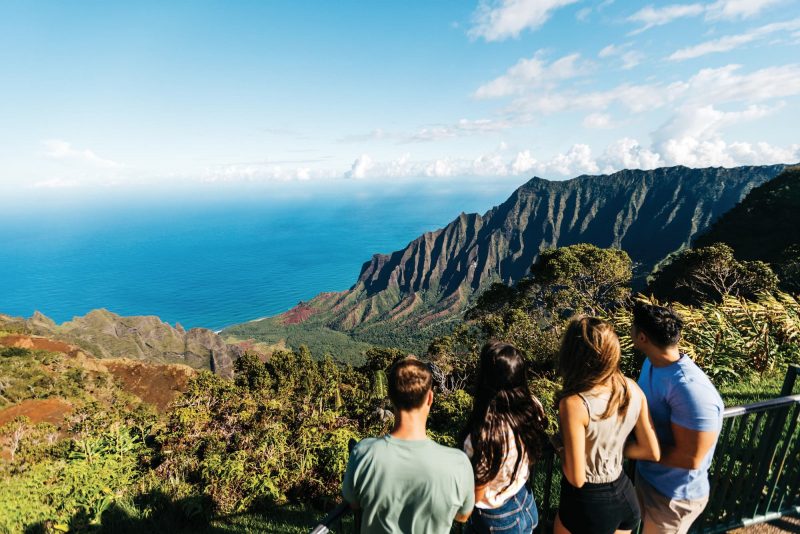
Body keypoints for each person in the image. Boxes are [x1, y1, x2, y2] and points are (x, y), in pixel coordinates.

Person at [342, 356, 475, 533]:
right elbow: (463, 515)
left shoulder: (363, 454)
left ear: (390, 396)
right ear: (430, 398)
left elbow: (353, 502)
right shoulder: (458, 463)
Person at [554, 316, 661, 534]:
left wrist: (560, 448)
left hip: (589, 503)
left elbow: (576, 477)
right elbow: (651, 450)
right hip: (624, 495)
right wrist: (612, 449)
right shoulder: (630, 389)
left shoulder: (574, 404)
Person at [632, 302, 724, 534]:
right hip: (648, 479)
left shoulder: (690, 390)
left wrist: (626, 449)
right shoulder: (651, 363)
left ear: (642, 337)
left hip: (673, 497)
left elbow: (691, 457)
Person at [459, 341, 548, 533]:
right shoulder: (533, 408)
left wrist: (459, 514)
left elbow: (478, 491)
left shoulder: (484, 436)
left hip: (496, 518)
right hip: (524, 499)